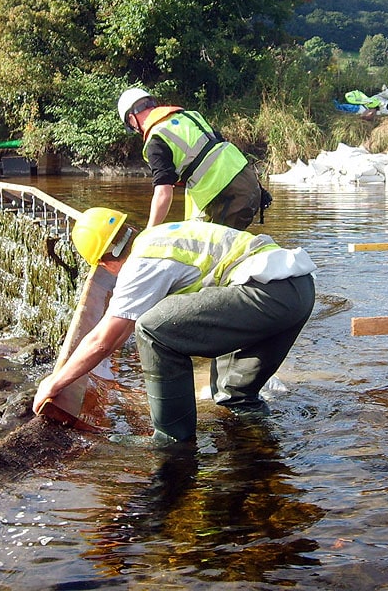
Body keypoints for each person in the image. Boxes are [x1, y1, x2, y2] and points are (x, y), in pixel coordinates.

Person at [32, 206, 316, 446]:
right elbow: (116, 335)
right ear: (128, 228)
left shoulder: (140, 264)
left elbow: (104, 340)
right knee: (234, 395)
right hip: (298, 290)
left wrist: (54, 382)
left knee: (153, 330)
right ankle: (261, 451)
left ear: (106, 264)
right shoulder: (157, 236)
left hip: (265, 295)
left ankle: (170, 441)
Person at [117, 87, 268, 230]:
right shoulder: (189, 116)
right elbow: (218, 148)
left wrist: (149, 232)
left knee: (210, 250)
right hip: (250, 184)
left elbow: (163, 192)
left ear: (131, 119)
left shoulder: (156, 140)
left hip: (227, 195)